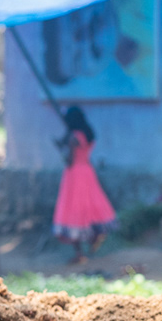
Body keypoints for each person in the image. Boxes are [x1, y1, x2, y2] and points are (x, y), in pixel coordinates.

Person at [53, 106, 115, 262]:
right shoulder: (88, 134)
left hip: (74, 175)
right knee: (89, 207)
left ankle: (79, 254)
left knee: (73, 212)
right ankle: (96, 237)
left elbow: (69, 159)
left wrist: (61, 148)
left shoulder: (74, 136)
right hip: (87, 171)